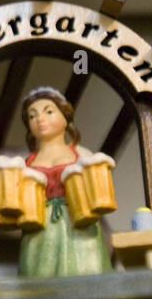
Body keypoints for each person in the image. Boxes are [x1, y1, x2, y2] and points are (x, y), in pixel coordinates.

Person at [17, 86, 112, 277]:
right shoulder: (25, 163)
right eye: (32, 116)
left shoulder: (81, 154)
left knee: (84, 270)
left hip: (79, 220)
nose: (40, 120)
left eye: (49, 112)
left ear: (65, 116)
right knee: (40, 274)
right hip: (40, 226)